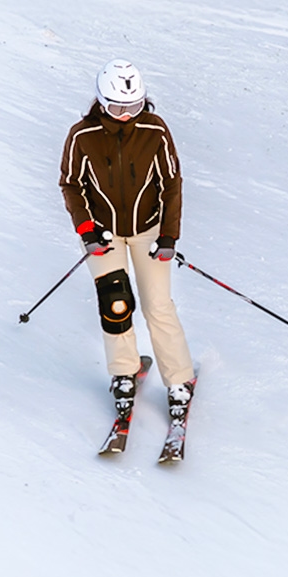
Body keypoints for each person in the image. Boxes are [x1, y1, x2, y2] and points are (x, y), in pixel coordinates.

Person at [59, 59, 195, 423]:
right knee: (115, 304)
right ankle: (124, 372)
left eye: (133, 107)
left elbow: (171, 183)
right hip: (102, 234)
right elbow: (72, 185)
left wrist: (169, 235)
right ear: (101, 102)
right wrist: (86, 230)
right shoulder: (81, 135)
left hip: (149, 231)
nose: (125, 116)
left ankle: (179, 379)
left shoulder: (155, 130)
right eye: (117, 107)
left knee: (157, 305)